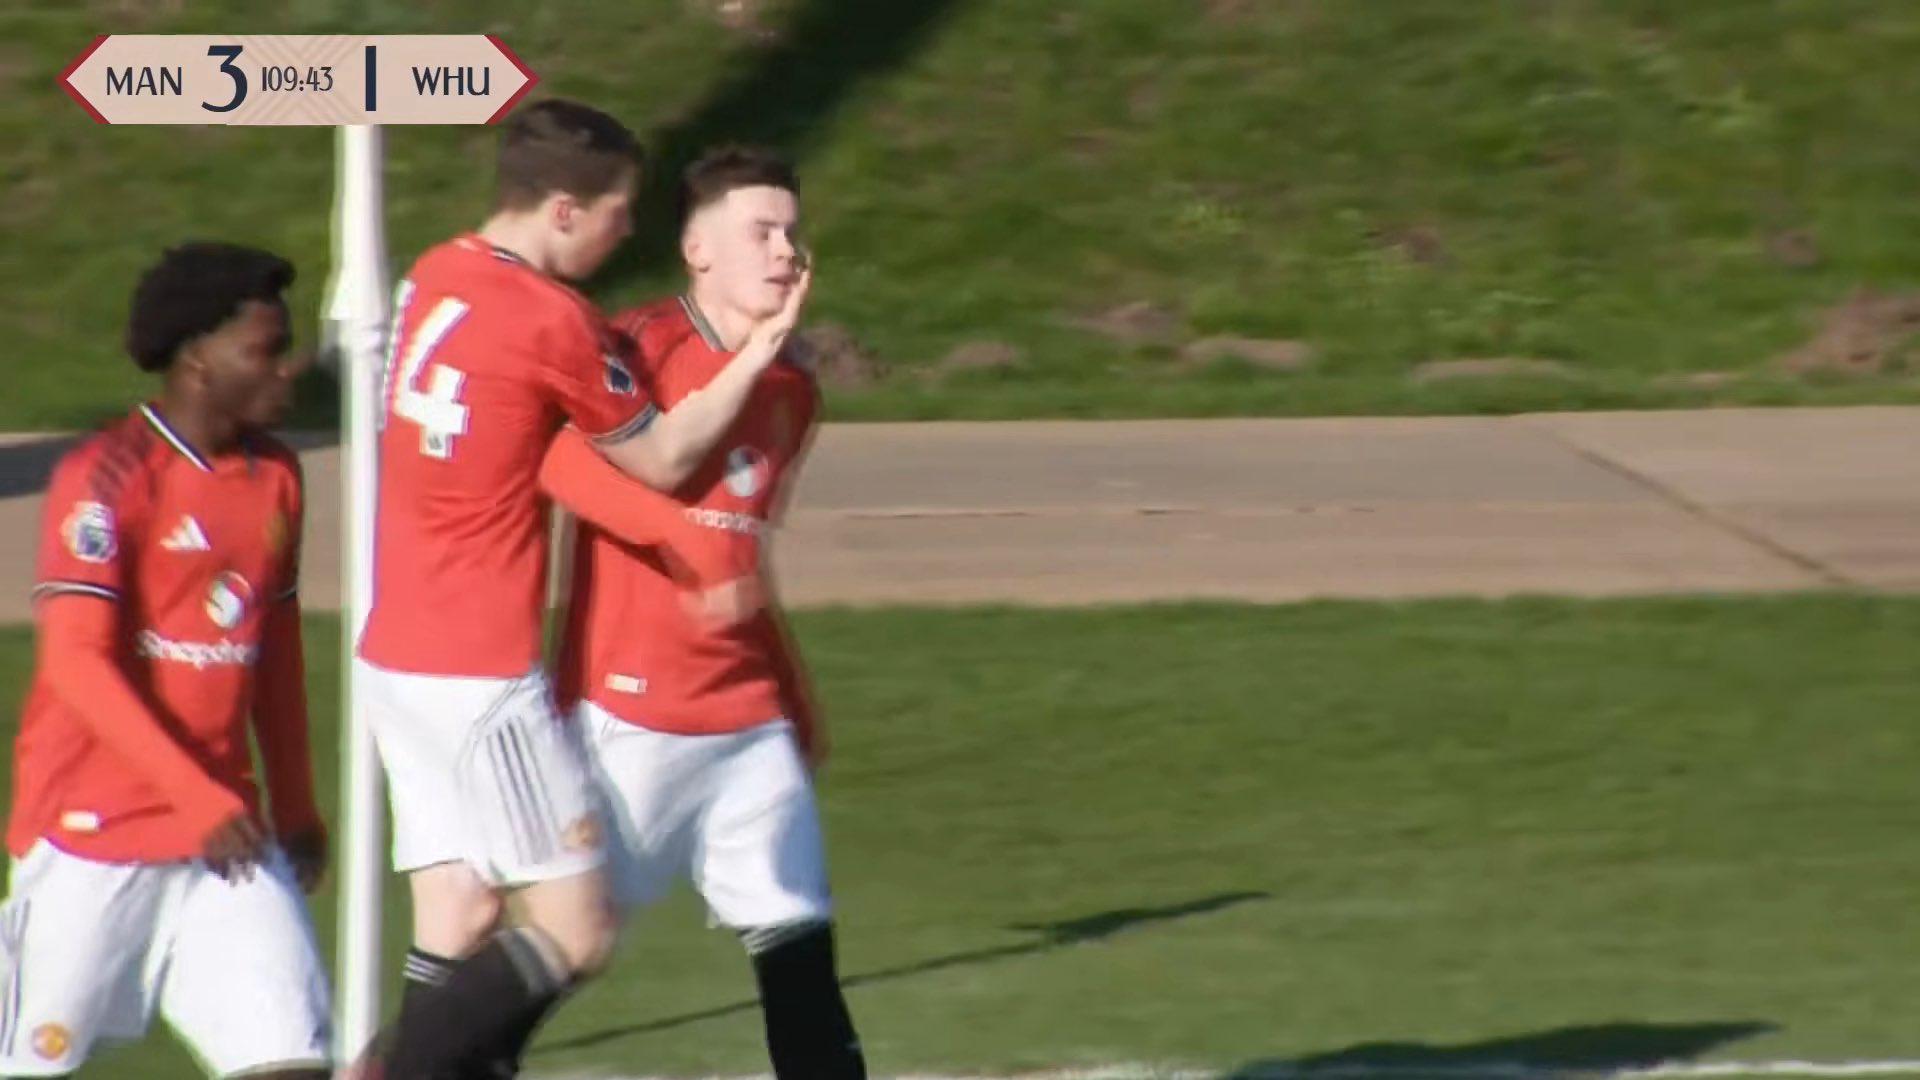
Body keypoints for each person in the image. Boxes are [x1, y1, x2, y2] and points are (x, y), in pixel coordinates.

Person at [356, 101, 809, 1079]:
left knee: (460, 911)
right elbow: (664, 456)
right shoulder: (552, 318)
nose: (625, 230)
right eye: (617, 211)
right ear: (563, 210)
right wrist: (759, 353)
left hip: (395, 652)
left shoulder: (434, 273)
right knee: (577, 929)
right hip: (477, 669)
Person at [541, 145, 865, 1080]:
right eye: (761, 232)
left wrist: (790, 689)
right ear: (698, 250)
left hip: (745, 718)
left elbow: (743, 555)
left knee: (797, 937)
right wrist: (685, 547)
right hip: (629, 715)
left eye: (793, 234)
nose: (786, 252)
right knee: (557, 951)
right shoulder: (636, 350)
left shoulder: (792, 390)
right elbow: (561, 465)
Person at [0, 243, 329, 1079]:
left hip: (225, 840)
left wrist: (294, 803)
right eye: (264, 350)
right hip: (94, 837)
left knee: (291, 1061)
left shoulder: (277, 477)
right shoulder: (106, 477)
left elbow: (274, 655)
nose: (285, 370)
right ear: (197, 359)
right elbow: (76, 664)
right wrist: (197, 796)